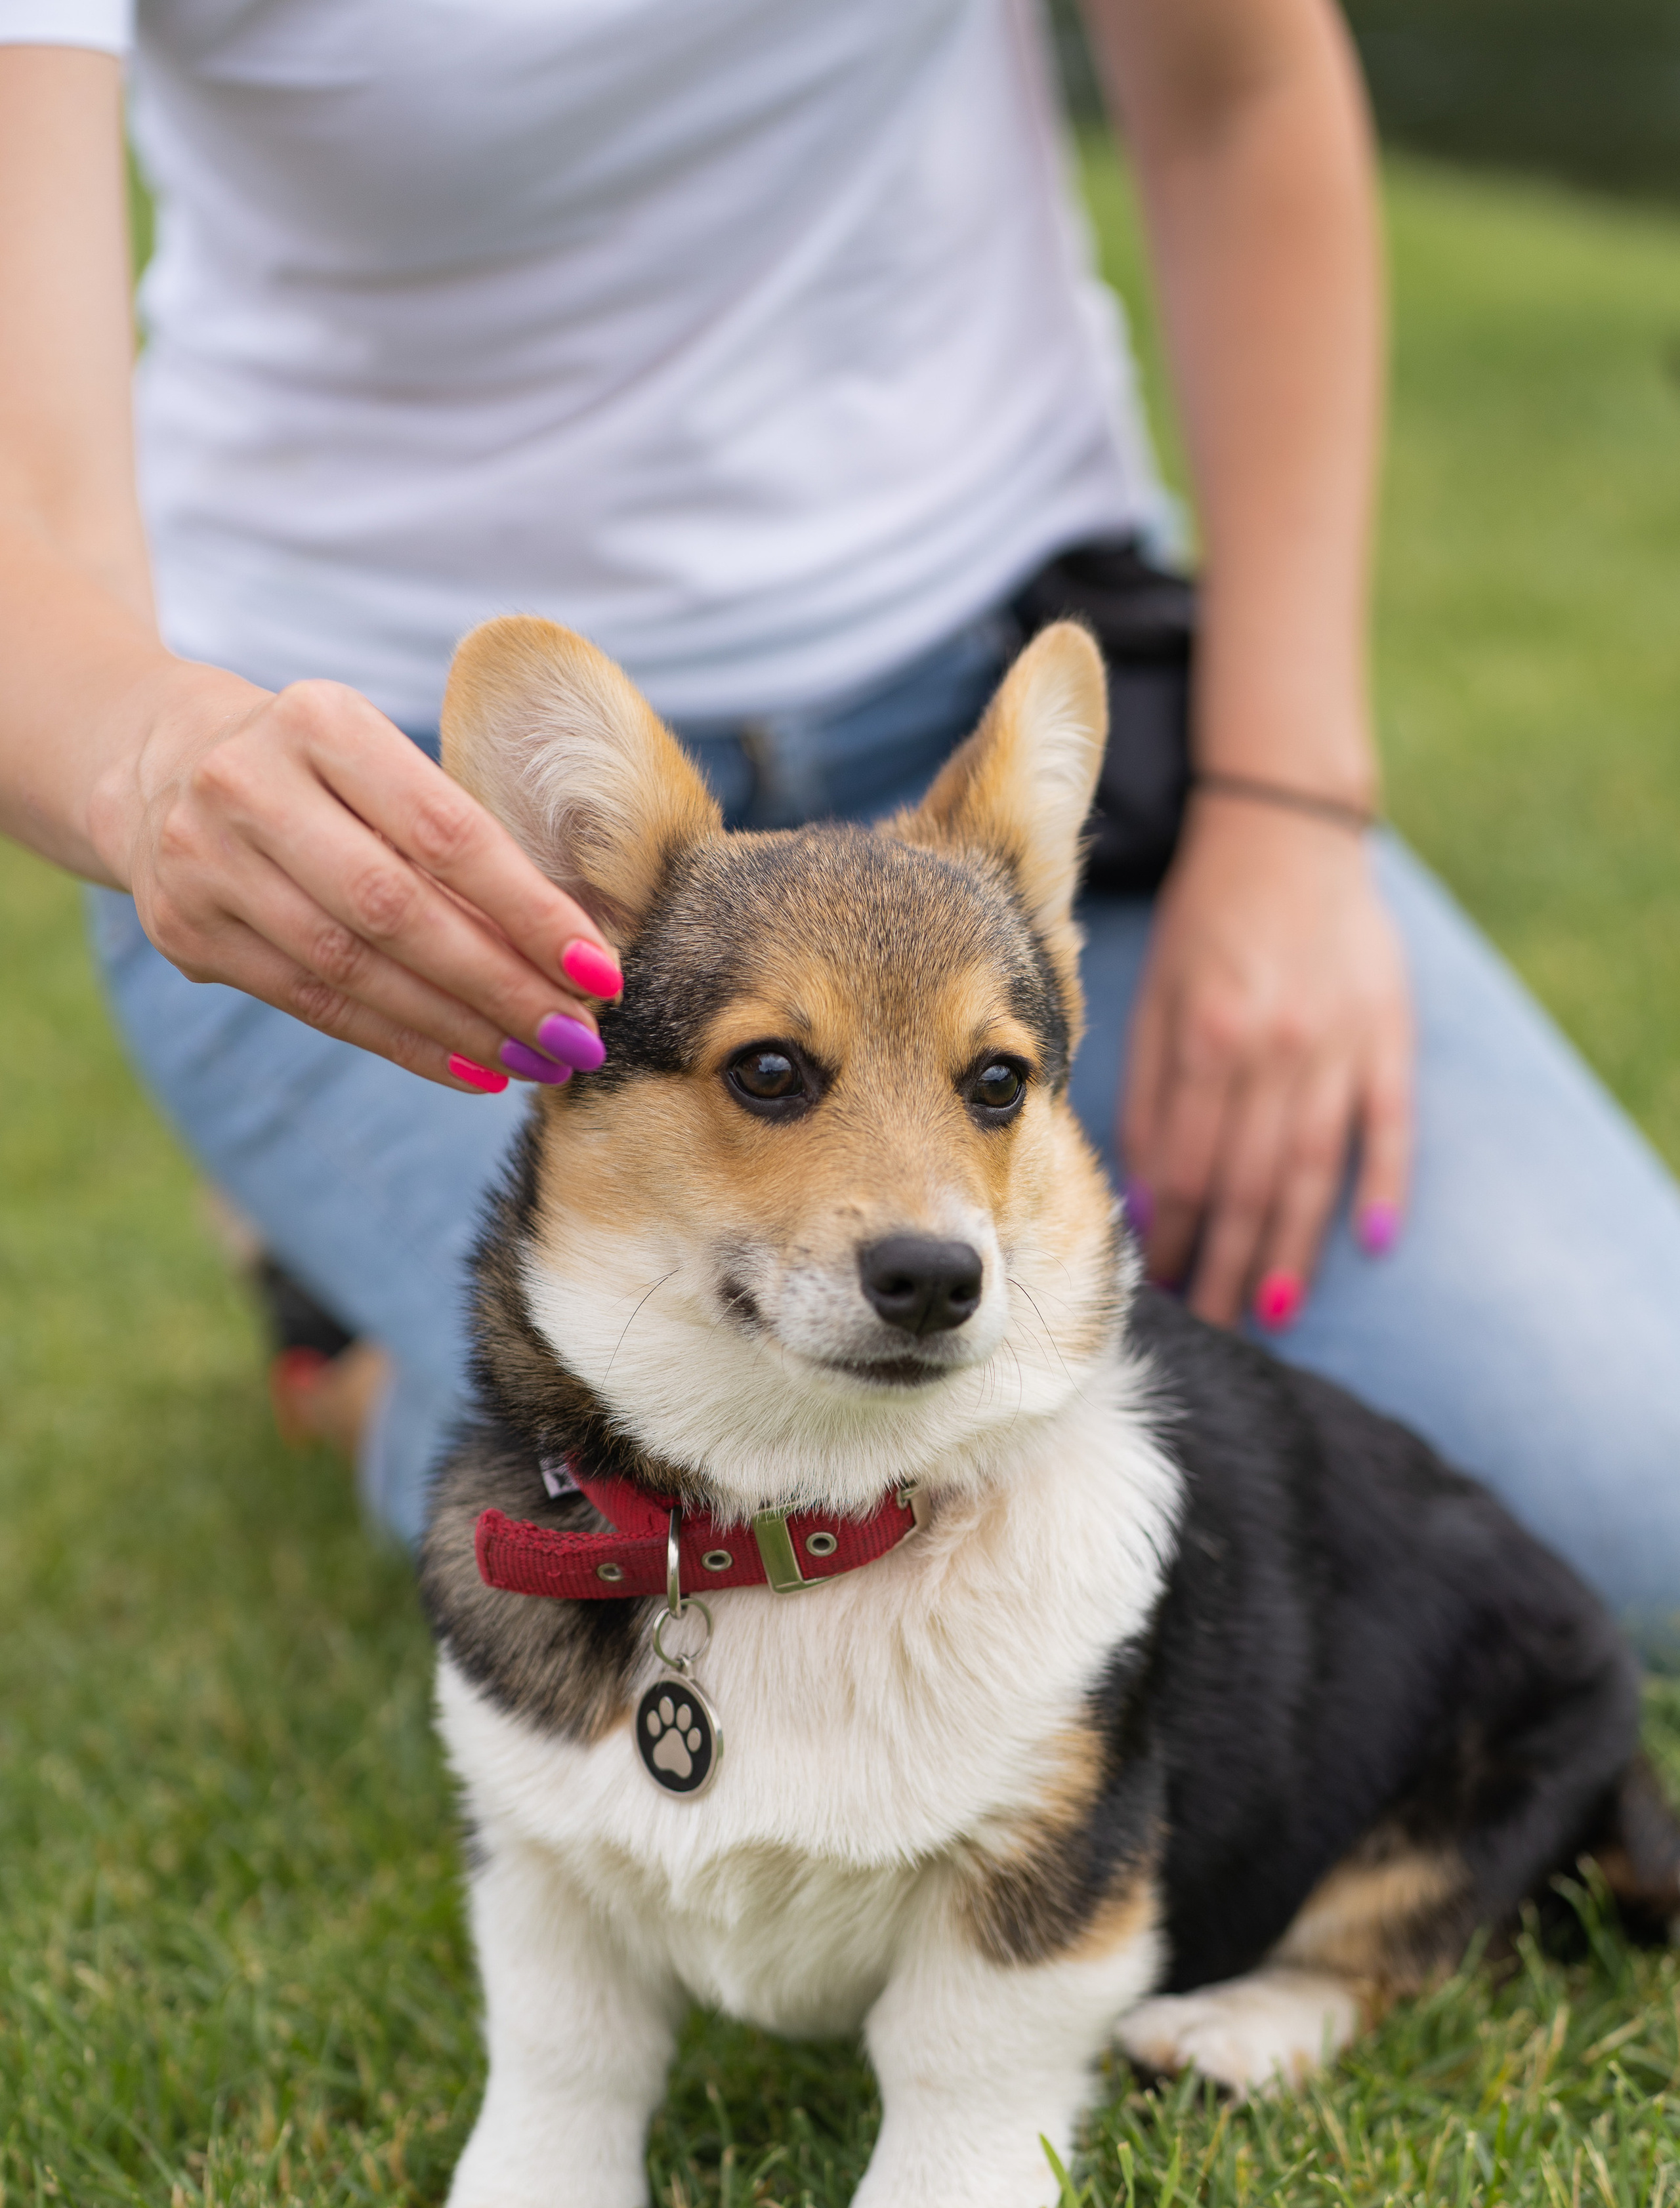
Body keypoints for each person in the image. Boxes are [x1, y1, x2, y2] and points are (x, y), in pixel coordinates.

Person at [2, 1, 1677, 1647]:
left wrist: (1289, 813)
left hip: (979, 732)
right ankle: (383, 1355)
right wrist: (156, 757)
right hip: (437, 822)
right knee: (813, 1529)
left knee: (1626, 1510)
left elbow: (1238, 96)